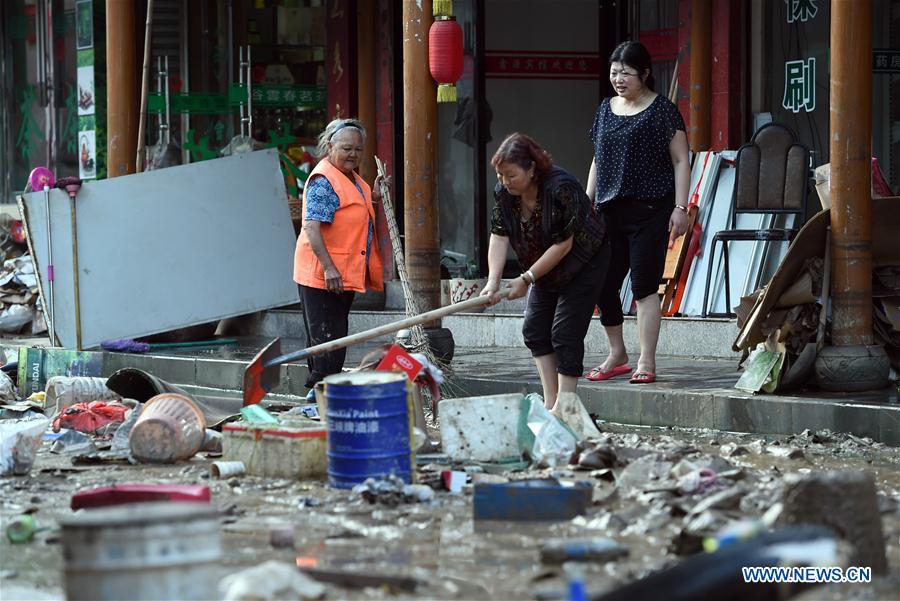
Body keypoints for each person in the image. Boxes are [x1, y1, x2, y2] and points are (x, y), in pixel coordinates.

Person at [585, 41, 690, 385]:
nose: (618, 79)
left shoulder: (663, 111)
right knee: (602, 283)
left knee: (645, 287)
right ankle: (618, 353)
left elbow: (680, 160)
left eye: (626, 73)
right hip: (608, 212)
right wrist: (588, 202)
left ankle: (647, 360)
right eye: (614, 72)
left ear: (645, 74)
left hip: (650, 211)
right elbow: (598, 159)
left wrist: (680, 207)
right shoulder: (604, 108)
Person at [482, 133, 609, 410]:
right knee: (535, 330)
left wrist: (527, 278)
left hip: (584, 261)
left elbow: (563, 244)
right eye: (500, 175)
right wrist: (493, 282)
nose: (504, 181)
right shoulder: (504, 193)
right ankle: (552, 403)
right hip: (543, 264)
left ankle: (566, 407)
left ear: (531, 168)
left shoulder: (560, 187)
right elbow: (499, 234)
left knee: (565, 332)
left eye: (511, 175)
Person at [294, 118, 385, 393]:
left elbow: (352, 211)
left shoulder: (353, 178)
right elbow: (311, 227)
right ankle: (318, 397)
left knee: (331, 338)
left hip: (341, 272)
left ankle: (320, 396)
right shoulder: (324, 179)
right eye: (347, 148)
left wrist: (376, 196)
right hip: (323, 273)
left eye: (358, 150)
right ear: (330, 146)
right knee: (327, 341)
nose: (353, 155)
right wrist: (329, 268)